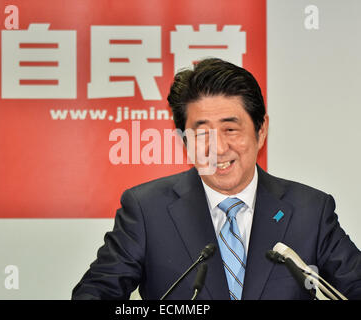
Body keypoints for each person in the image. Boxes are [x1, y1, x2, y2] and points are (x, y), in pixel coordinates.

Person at [72, 58, 361, 300]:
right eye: (201, 133)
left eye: (230, 129)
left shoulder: (310, 210)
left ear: (261, 131)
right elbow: (96, 293)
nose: (218, 148)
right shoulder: (147, 210)